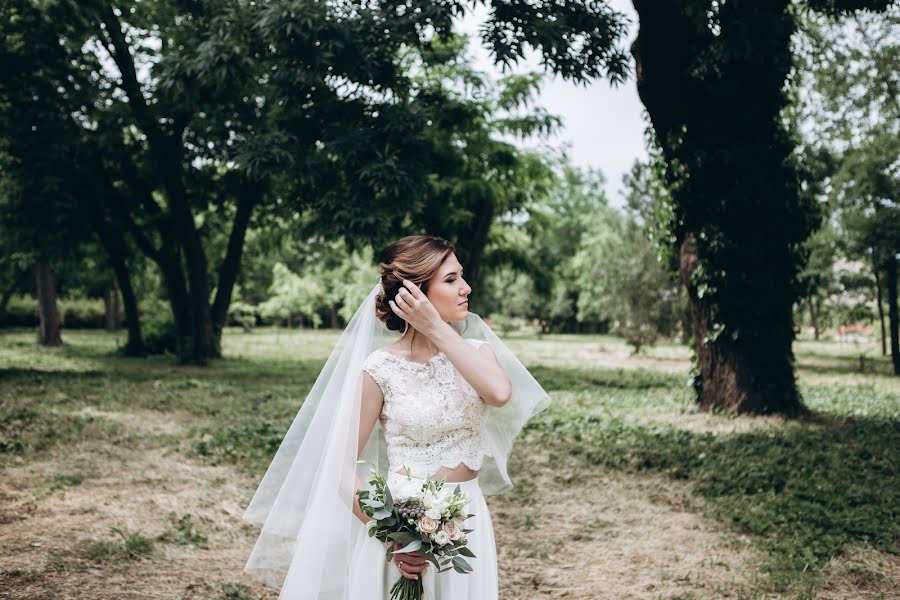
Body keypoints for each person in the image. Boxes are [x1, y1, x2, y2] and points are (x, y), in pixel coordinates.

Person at [242, 235, 550, 600]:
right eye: (451, 280)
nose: (466, 288)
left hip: (467, 521)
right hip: (402, 525)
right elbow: (337, 466)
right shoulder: (381, 369)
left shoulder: (478, 352)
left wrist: (435, 328)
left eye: (461, 277)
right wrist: (392, 537)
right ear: (414, 294)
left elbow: (499, 393)